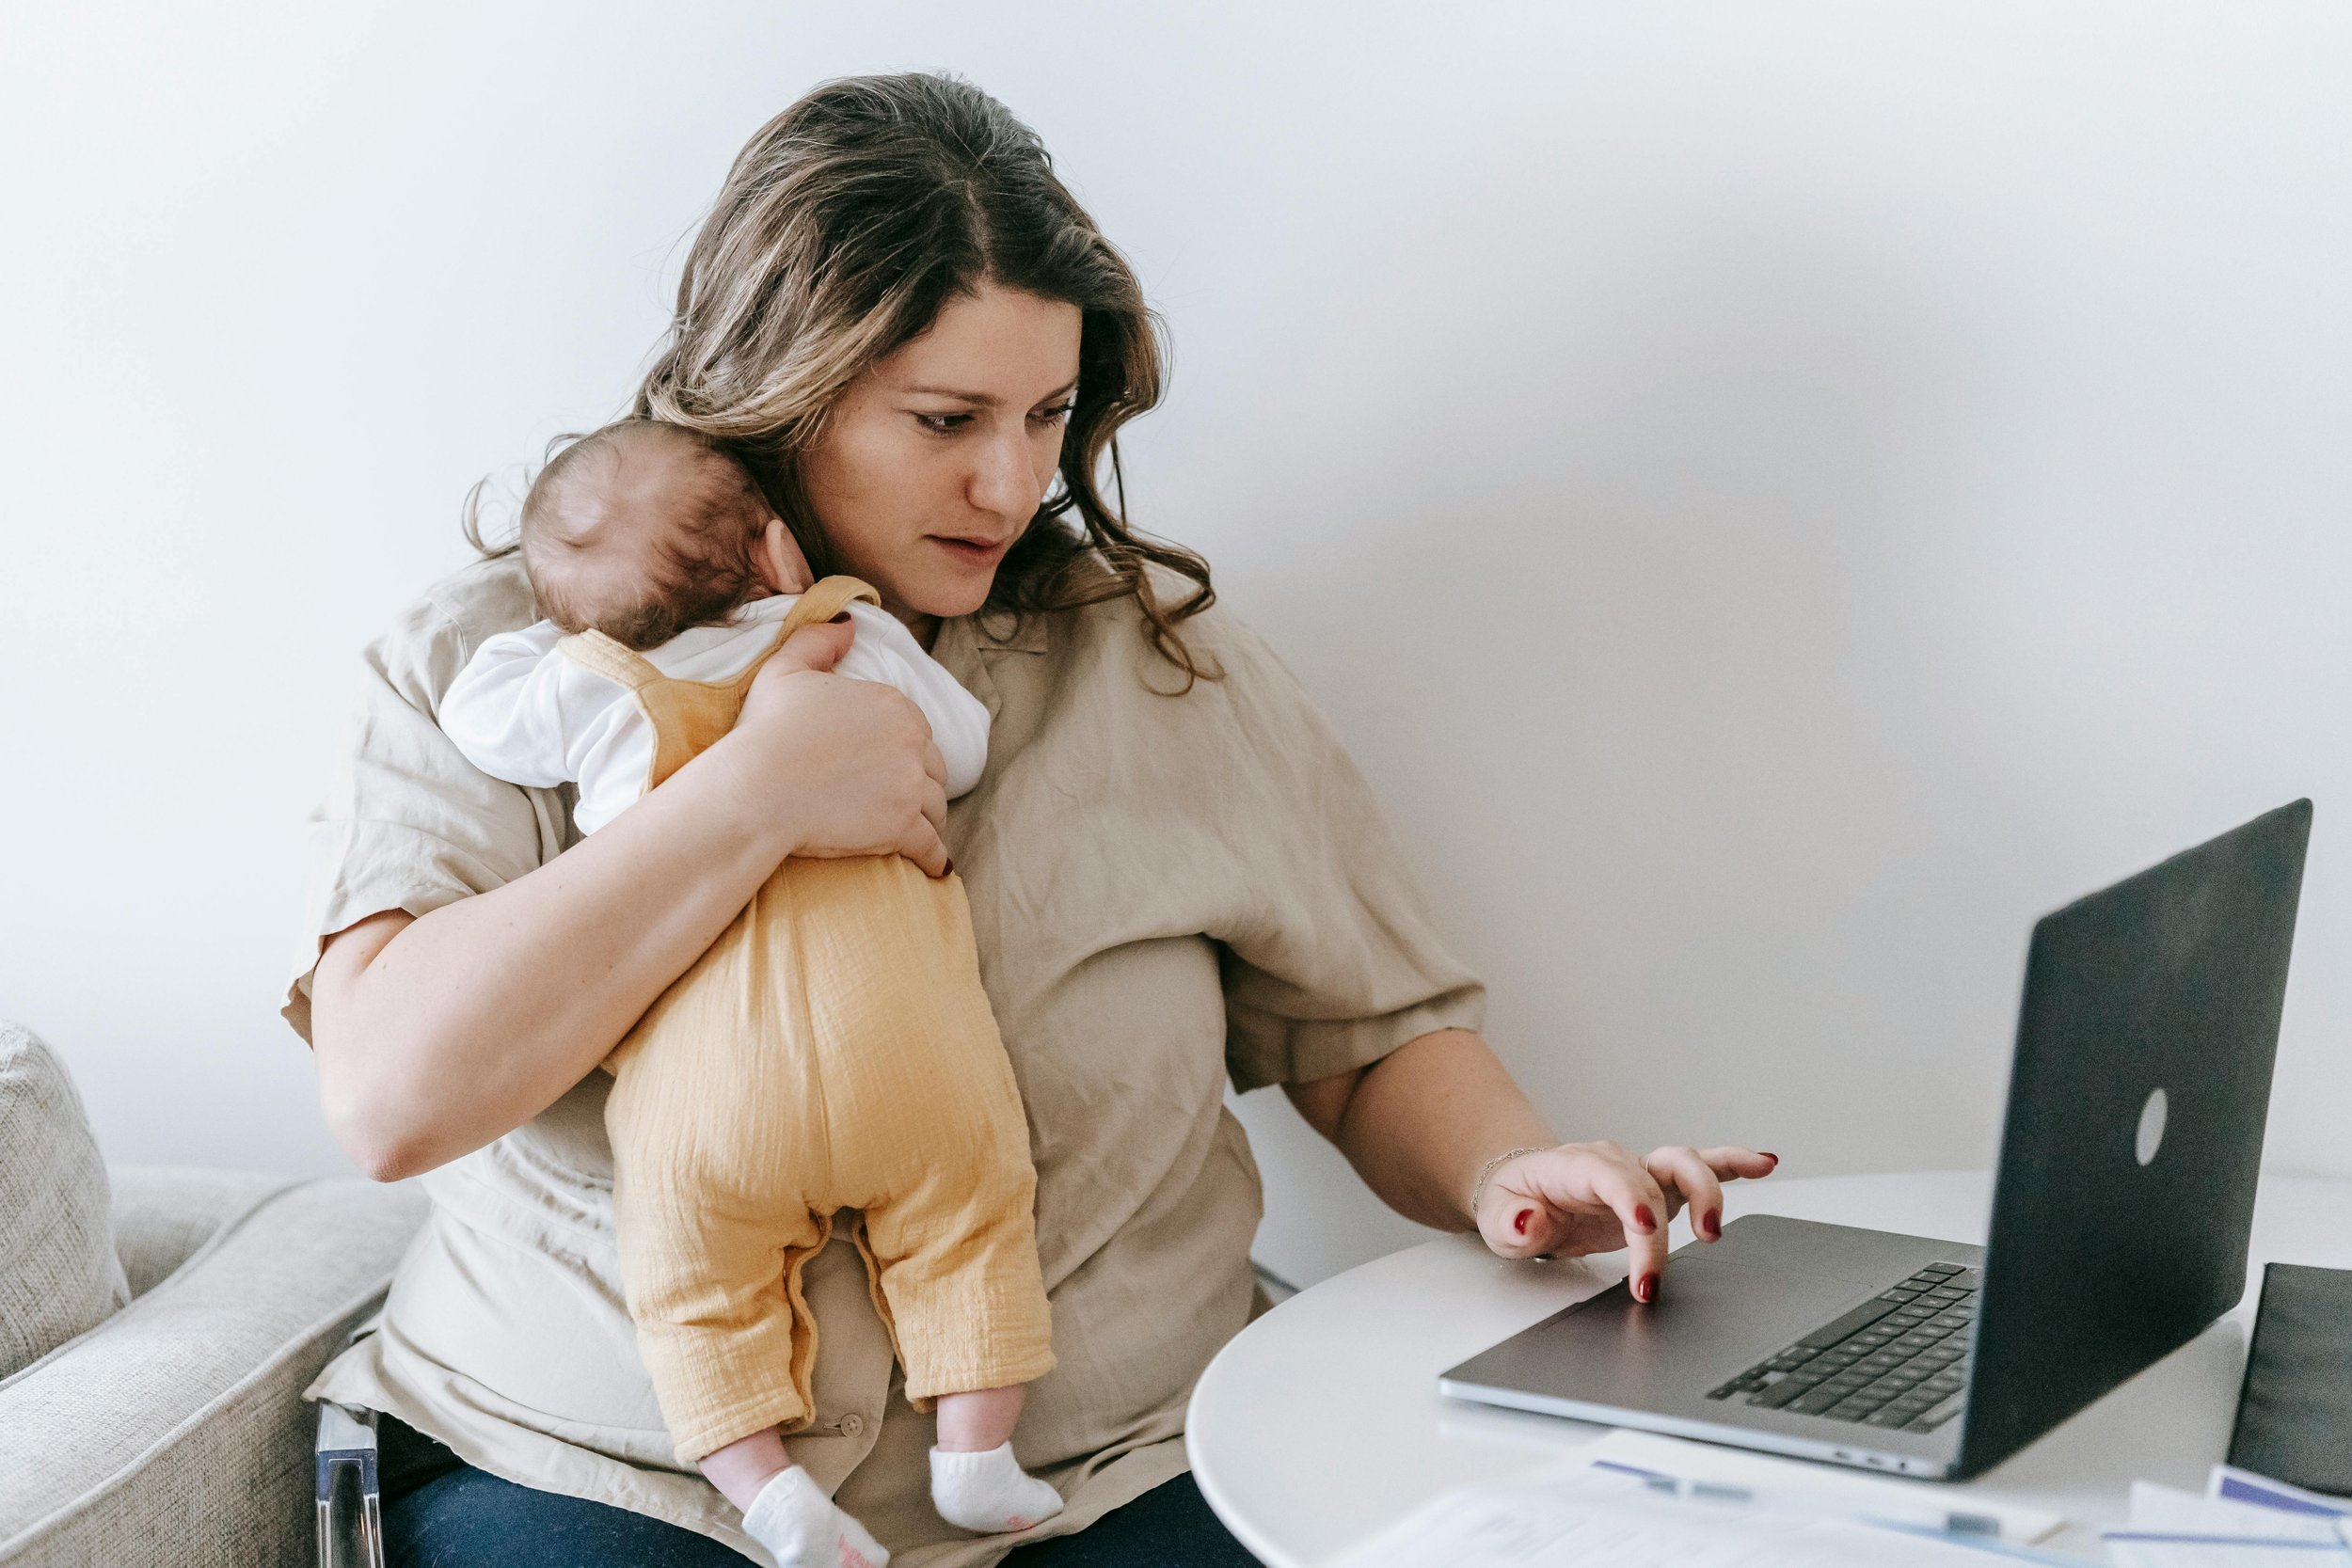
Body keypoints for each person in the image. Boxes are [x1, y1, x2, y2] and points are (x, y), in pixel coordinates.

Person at [294, 72, 1775, 1568]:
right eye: (946, 418)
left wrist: (1501, 1173)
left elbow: (1366, 1031)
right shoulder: (501, 664)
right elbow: (393, 1097)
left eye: (1048, 415)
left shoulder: (1155, 659)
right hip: (607, 1472)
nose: (1010, 482)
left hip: (1119, 1464)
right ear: (779, 390)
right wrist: (747, 800)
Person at [435, 417, 1064, 1567]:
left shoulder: (602, 688)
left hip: (708, 1085)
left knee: (690, 1281)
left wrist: (559, 631)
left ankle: (769, 1494)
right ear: (777, 549)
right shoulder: (843, 633)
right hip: (904, 1042)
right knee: (974, 1215)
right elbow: (961, 748)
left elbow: (478, 714)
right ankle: (975, 1455)